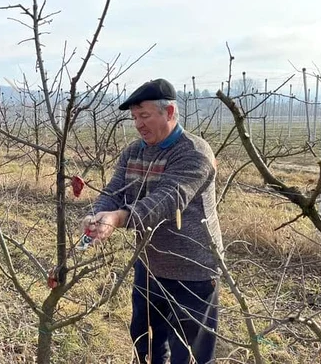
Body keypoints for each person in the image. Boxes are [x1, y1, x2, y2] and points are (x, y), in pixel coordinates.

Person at [82, 79, 222, 364]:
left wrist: (119, 218)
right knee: (144, 342)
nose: (138, 124)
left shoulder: (193, 153)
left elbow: (167, 200)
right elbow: (114, 191)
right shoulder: (134, 151)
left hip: (193, 271)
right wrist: (99, 215)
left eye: (144, 115)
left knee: (190, 353)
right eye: (134, 117)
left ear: (169, 112)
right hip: (149, 266)